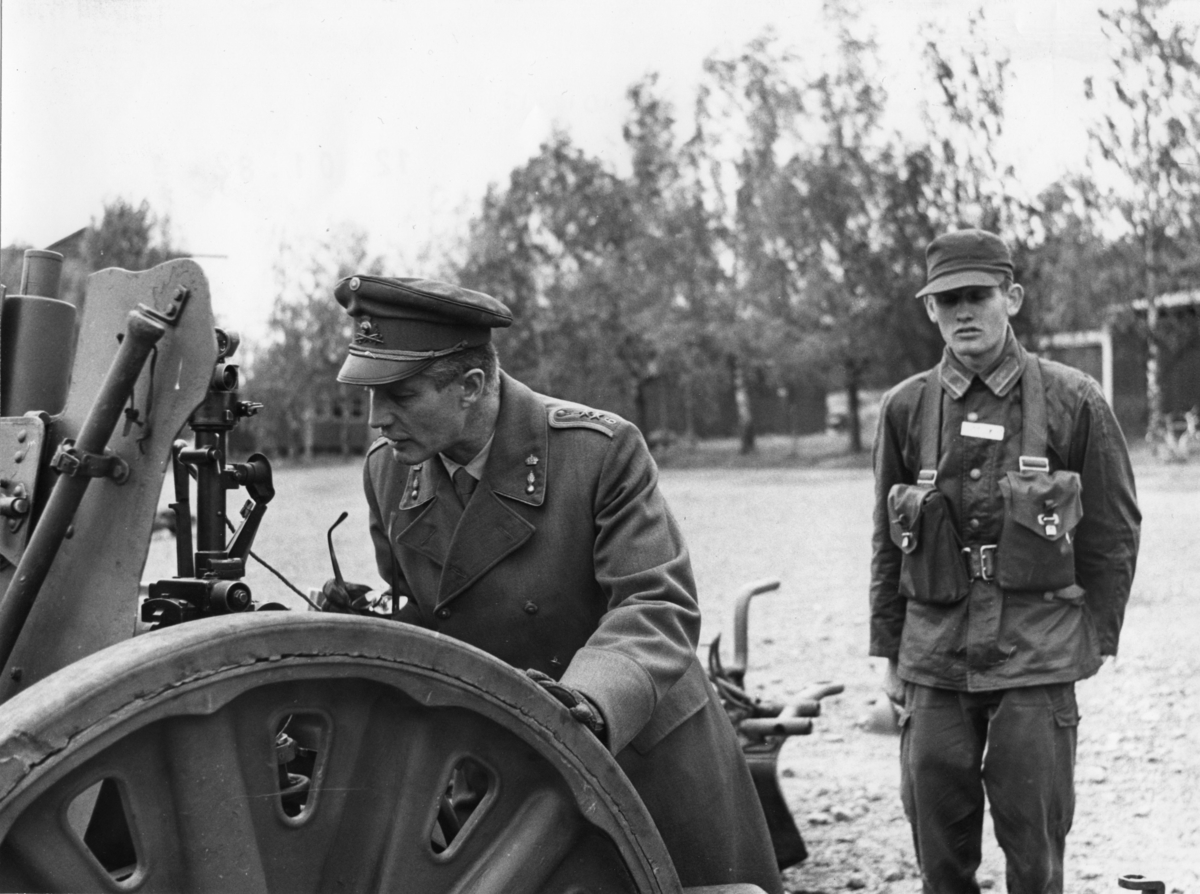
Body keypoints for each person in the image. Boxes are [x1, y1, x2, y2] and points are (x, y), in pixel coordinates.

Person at [326, 274, 783, 893]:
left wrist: (587, 702)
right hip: (507, 762)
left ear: (471, 386)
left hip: (633, 750)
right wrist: (362, 624)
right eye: (369, 395)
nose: (377, 420)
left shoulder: (598, 452)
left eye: (400, 395)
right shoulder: (388, 472)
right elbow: (433, 613)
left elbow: (655, 604)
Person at [870, 229, 1141, 893]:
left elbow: (1113, 532)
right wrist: (890, 653)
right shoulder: (905, 407)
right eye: (948, 300)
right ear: (930, 309)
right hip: (933, 653)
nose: (963, 312)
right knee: (938, 850)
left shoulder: (1075, 398)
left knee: (1035, 854)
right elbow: (886, 539)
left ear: (1011, 298)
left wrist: (1093, 638)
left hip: (1036, 651)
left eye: (978, 296)